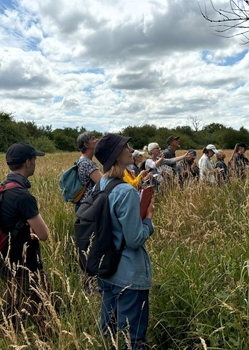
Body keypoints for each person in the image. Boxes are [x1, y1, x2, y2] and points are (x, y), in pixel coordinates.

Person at [94, 134, 155, 350]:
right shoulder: (126, 191)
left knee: (109, 333)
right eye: (125, 147)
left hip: (106, 268)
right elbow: (135, 239)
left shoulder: (100, 185)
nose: (130, 150)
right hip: (128, 273)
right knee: (134, 339)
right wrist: (148, 218)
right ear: (116, 156)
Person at [0, 142, 56, 336]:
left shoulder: (1, 188)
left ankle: (10, 339)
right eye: (34, 159)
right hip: (27, 265)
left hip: (6, 261)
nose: (35, 163)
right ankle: (49, 341)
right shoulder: (23, 196)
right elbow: (44, 235)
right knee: (44, 309)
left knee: (12, 308)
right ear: (27, 162)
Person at [75, 131, 103, 212]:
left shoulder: (81, 161)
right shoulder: (87, 163)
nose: (97, 140)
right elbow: (103, 182)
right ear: (86, 145)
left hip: (84, 205)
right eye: (93, 139)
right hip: (88, 207)